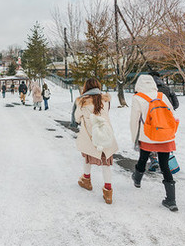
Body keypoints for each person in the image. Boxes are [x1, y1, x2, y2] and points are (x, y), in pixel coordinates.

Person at [130, 74, 179, 211]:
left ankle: (137, 180)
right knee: (164, 165)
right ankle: (171, 200)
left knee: (143, 158)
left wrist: (135, 138)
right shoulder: (161, 96)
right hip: (165, 135)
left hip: (148, 136)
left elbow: (134, 120)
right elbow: (173, 115)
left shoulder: (138, 98)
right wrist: (170, 132)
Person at [74, 78, 118, 204]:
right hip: (106, 134)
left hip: (91, 136)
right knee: (105, 163)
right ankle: (108, 192)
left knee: (88, 157)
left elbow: (77, 118)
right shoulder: (105, 100)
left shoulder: (82, 102)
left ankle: (86, 180)